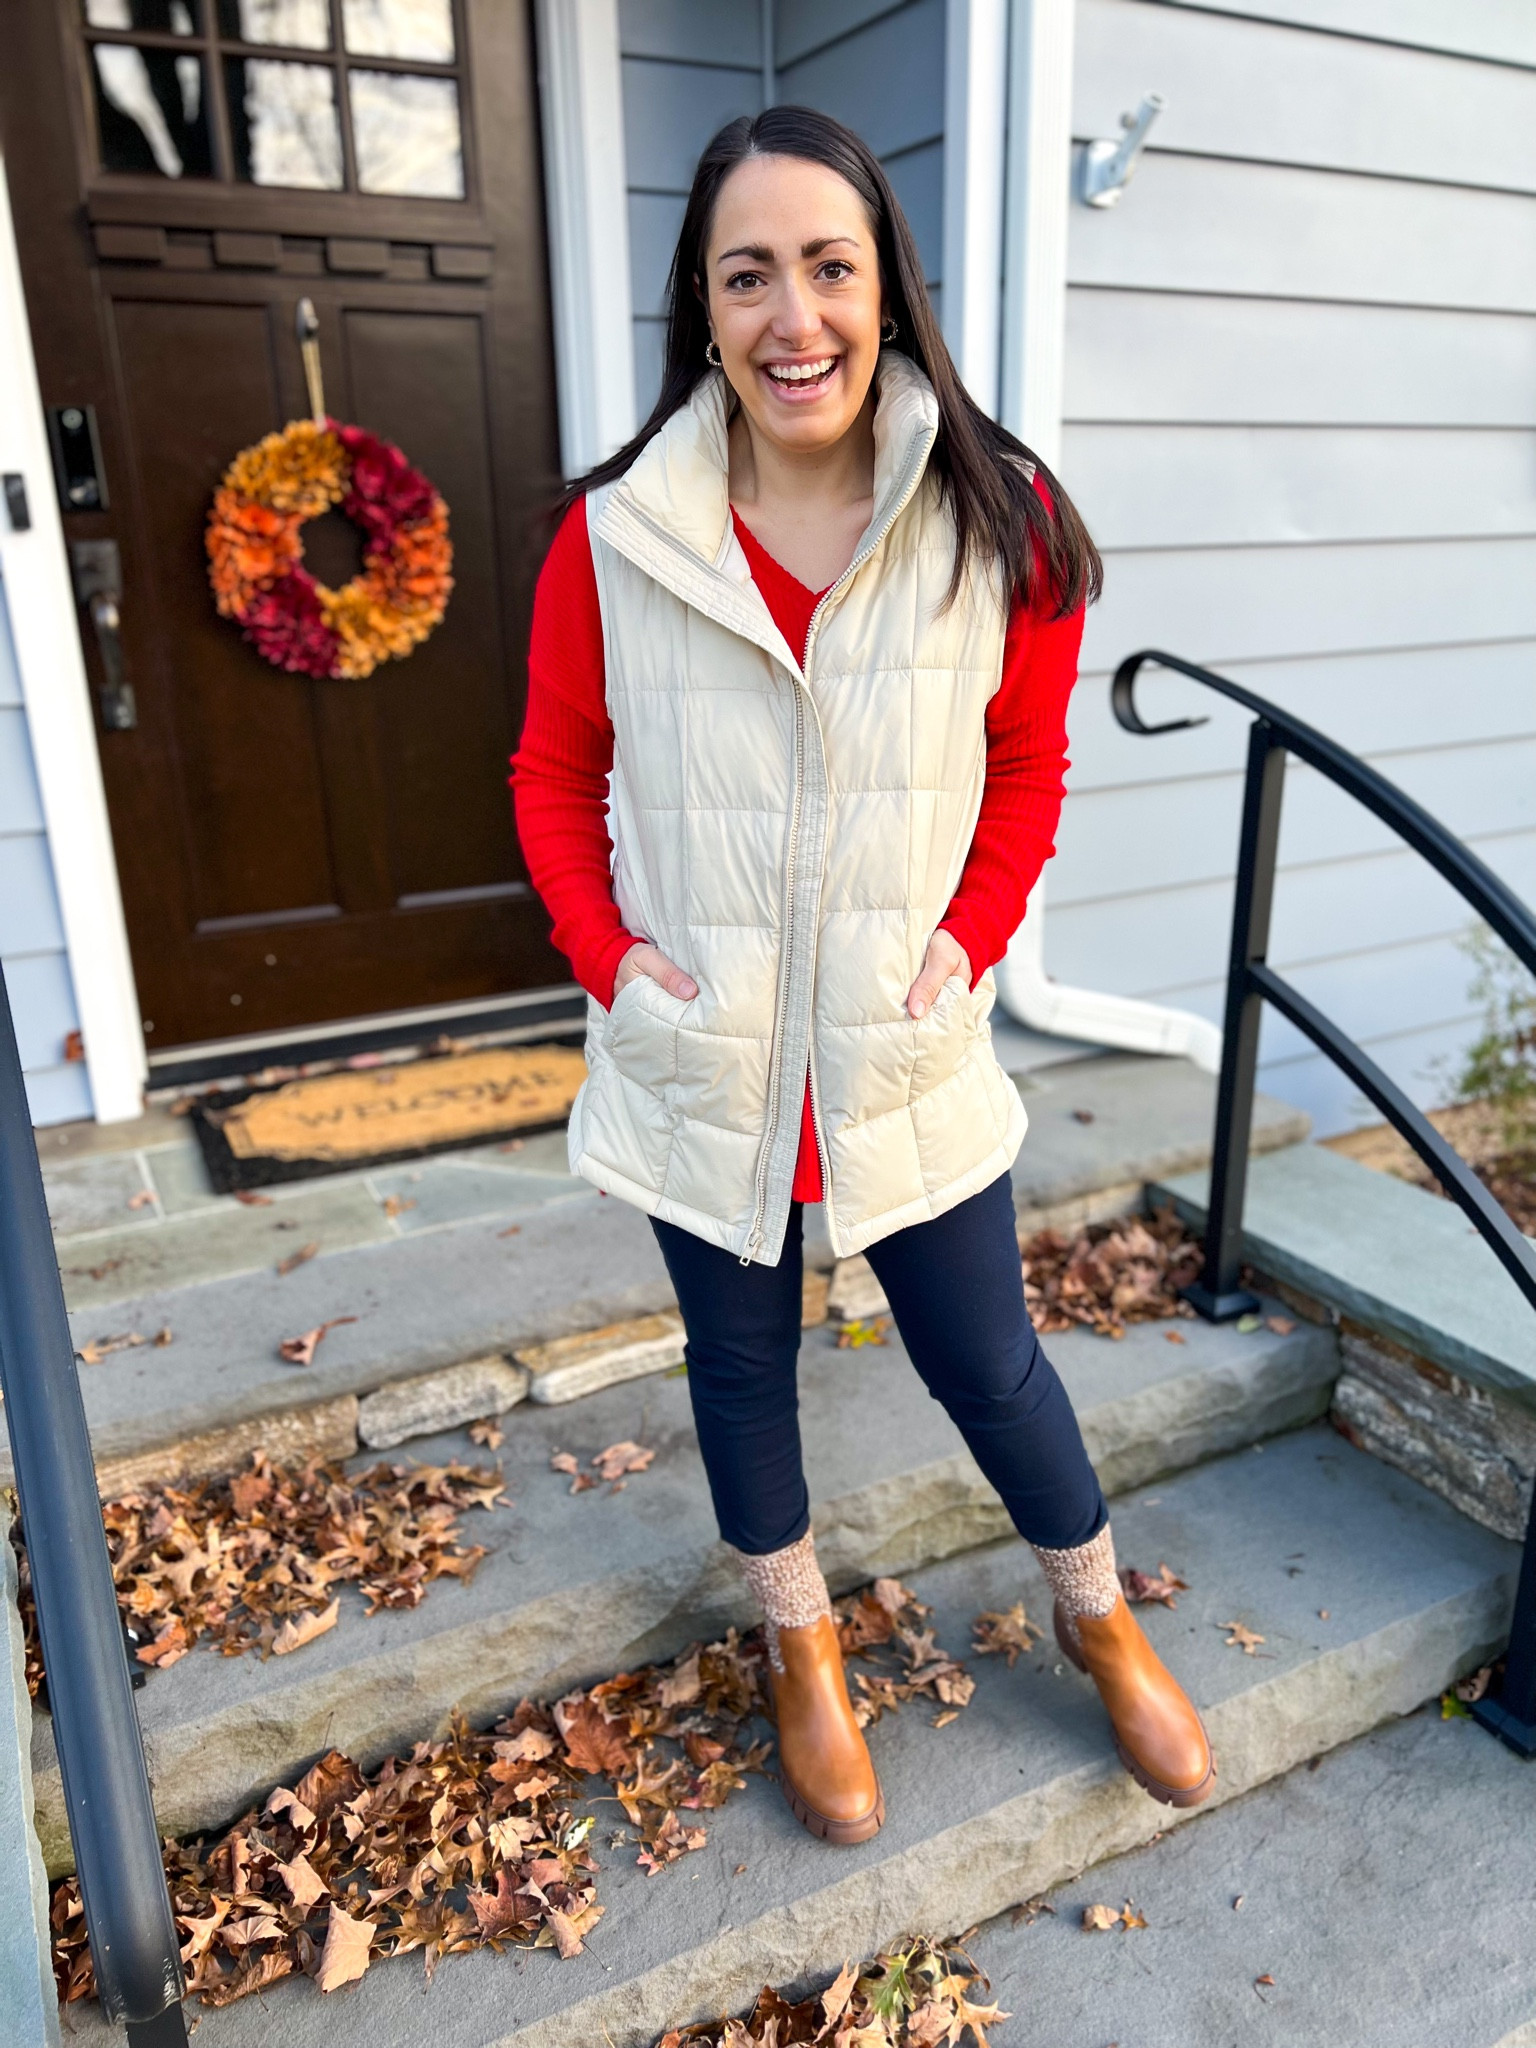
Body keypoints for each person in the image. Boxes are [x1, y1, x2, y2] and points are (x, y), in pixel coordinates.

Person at [512, 106, 1214, 1844]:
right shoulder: (615, 539)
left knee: (988, 1359)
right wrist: (619, 966)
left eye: (829, 268)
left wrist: (969, 946)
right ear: (702, 304)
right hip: (712, 1046)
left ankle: (1097, 1607)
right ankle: (801, 1642)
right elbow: (549, 772)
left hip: (903, 1049)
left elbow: (1031, 765)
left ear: (886, 287)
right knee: (738, 1364)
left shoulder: (1001, 514)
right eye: (748, 275)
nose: (793, 318)